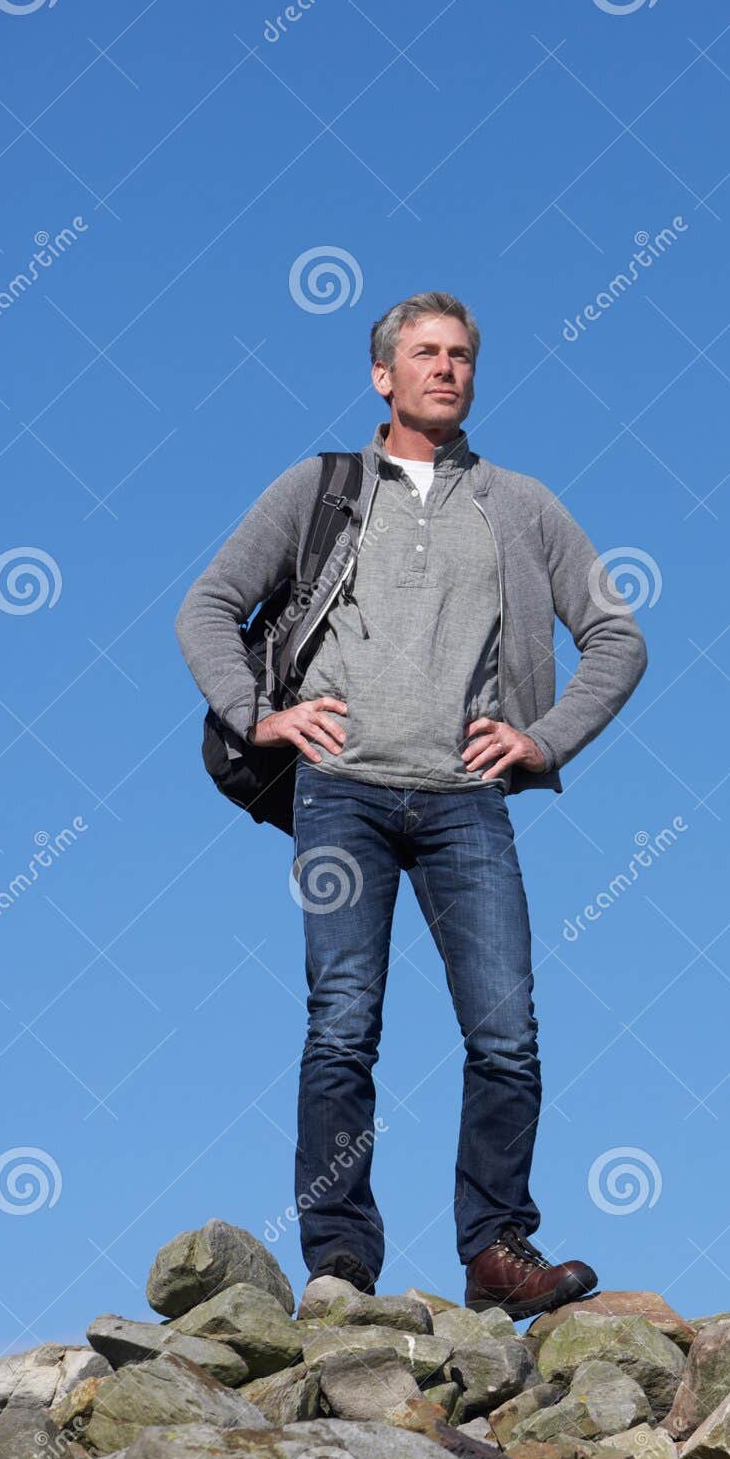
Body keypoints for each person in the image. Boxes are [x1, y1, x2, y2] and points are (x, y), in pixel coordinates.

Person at [175, 290, 648, 1317]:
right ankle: (339, 1262)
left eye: (462, 355)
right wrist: (257, 714)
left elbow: (616, 637)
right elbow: (206, 606)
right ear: (382, 375)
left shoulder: (518, 504)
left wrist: (542, 737)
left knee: (506, 1029)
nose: (447, 368)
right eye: (425, 354)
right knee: (342, 1023)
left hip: (464, 801)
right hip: (339, 792)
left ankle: (495, 1250)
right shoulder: (322, 488)